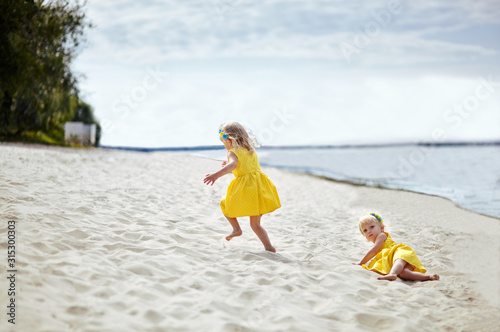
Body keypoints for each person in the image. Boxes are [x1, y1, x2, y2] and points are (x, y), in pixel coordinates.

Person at [204, 122, 281, 252]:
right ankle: (269, 247)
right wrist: (229, 165)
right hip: (260, 186)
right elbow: (243, 167)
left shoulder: (232, 152)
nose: (225, 146)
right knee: (255, 224)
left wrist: (216, 175)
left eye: (224, 143)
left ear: (229, 140)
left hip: (247, 188)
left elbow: (234, 165)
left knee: (225, 204)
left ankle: (236, 229)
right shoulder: (250, 150)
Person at [354, 213, 439, 281]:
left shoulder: (381, 235)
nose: (369, 231)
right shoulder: (377, 242)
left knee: (398, 261)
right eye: (365, 230)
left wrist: (361, 263)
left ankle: (393, 274)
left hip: (398, 252)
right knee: (404, 273)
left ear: (382, 228)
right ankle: (428, 277)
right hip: (393, 258)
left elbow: (374, 250)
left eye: (372, 227)